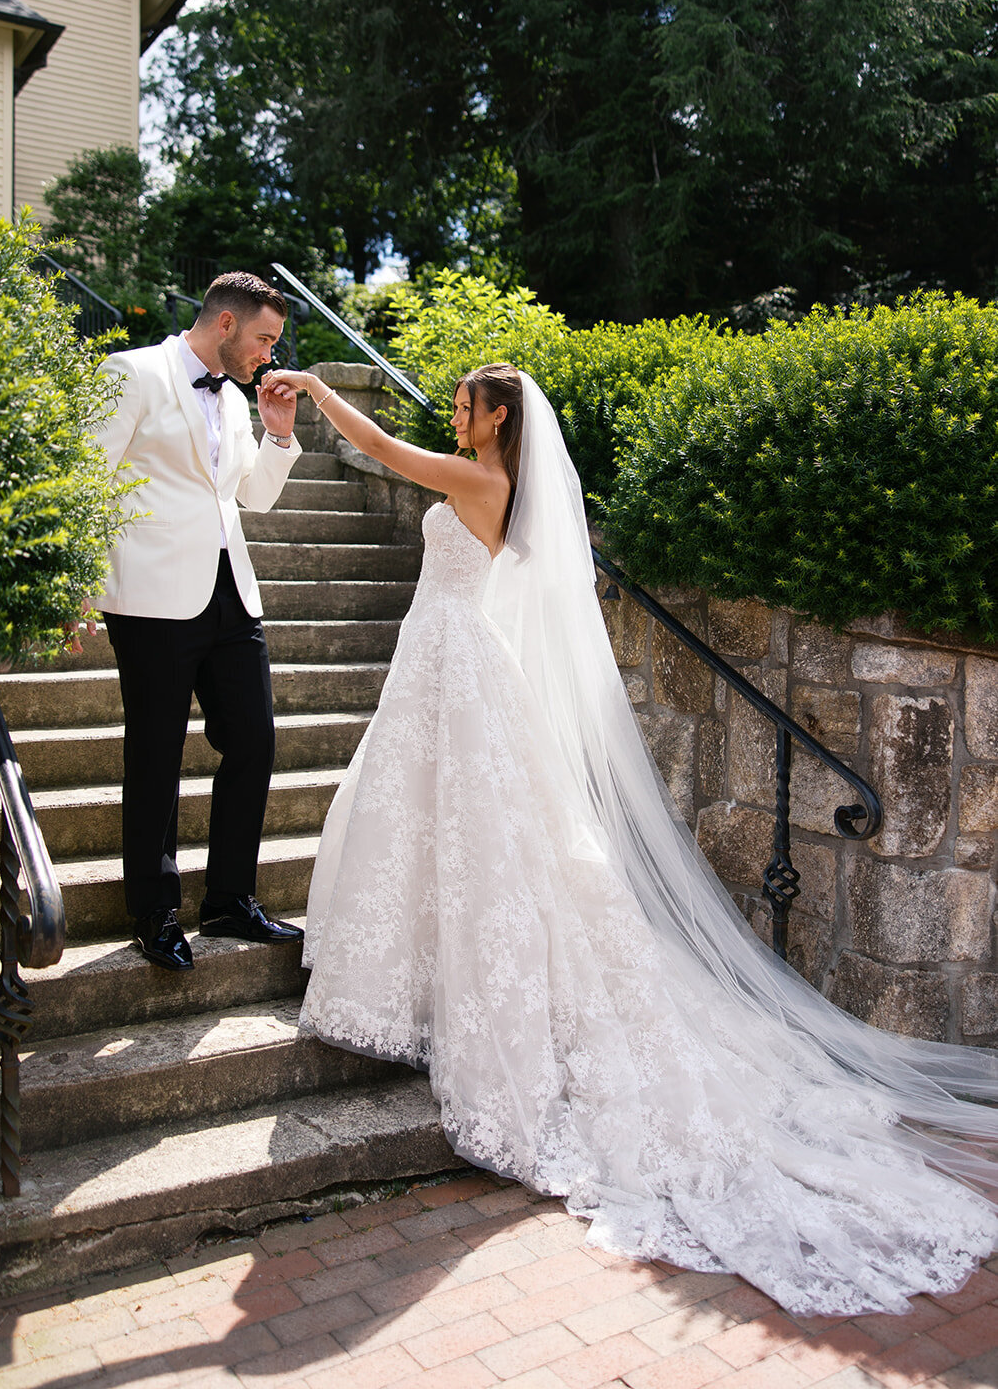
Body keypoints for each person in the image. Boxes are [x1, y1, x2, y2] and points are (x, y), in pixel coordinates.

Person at [265, 360, 998, 1316]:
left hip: (456, 661)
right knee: (438, 825)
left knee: (483, 838)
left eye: (464, 405)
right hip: (440, 658)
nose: (453, 415)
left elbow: (379, 449)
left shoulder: (482, 482)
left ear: (497, 422)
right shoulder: (488, 478)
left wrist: (317, 395)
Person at [93, 272, 305, 972]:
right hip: (151, 598)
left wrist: (277, 436)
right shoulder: (130, 373)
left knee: (253, 739)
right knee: (154, 751)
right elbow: (88, 480)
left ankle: (228, 898)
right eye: (263, 339)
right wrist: (76, 588)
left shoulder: (241, 404)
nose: (268, 354)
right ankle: (153, 910)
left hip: (230, 596)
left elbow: (254, 498)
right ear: (223, 325)